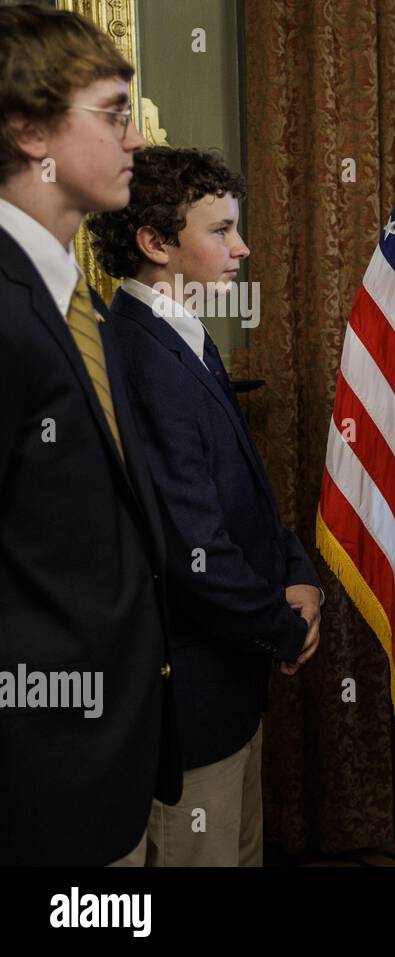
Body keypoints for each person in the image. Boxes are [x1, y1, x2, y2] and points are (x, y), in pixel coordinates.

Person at [86, 146, 322, 866]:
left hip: (230, 687)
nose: (242, 247)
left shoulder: (182, 334)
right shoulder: (138, 356)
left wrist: (301, 572)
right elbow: (193, 550)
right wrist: (283, 625)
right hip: (189, 703)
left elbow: (247, 489)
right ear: (157, 243)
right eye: (220, 230)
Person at [0, 3, 181, 866]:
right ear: (30, 129)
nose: (135, 138)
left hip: (112, 760)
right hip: (37, 783)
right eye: (112, 113)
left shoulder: (80, 301)